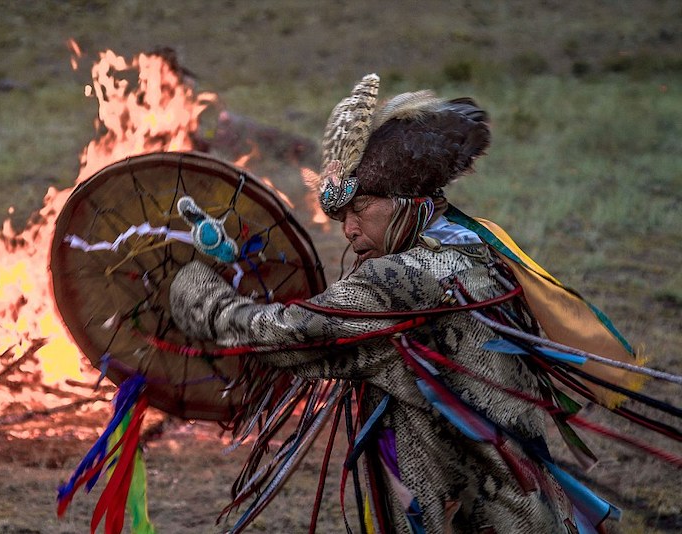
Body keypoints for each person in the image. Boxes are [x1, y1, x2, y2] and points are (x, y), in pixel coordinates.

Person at [169, 74, 610, 533]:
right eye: (343, 217)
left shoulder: (394, 282)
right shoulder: (476, 251)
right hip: (524, 510)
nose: (349, 230)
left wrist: (198, 295)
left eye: (359, 210)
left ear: (403, 202)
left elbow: (289, 333)